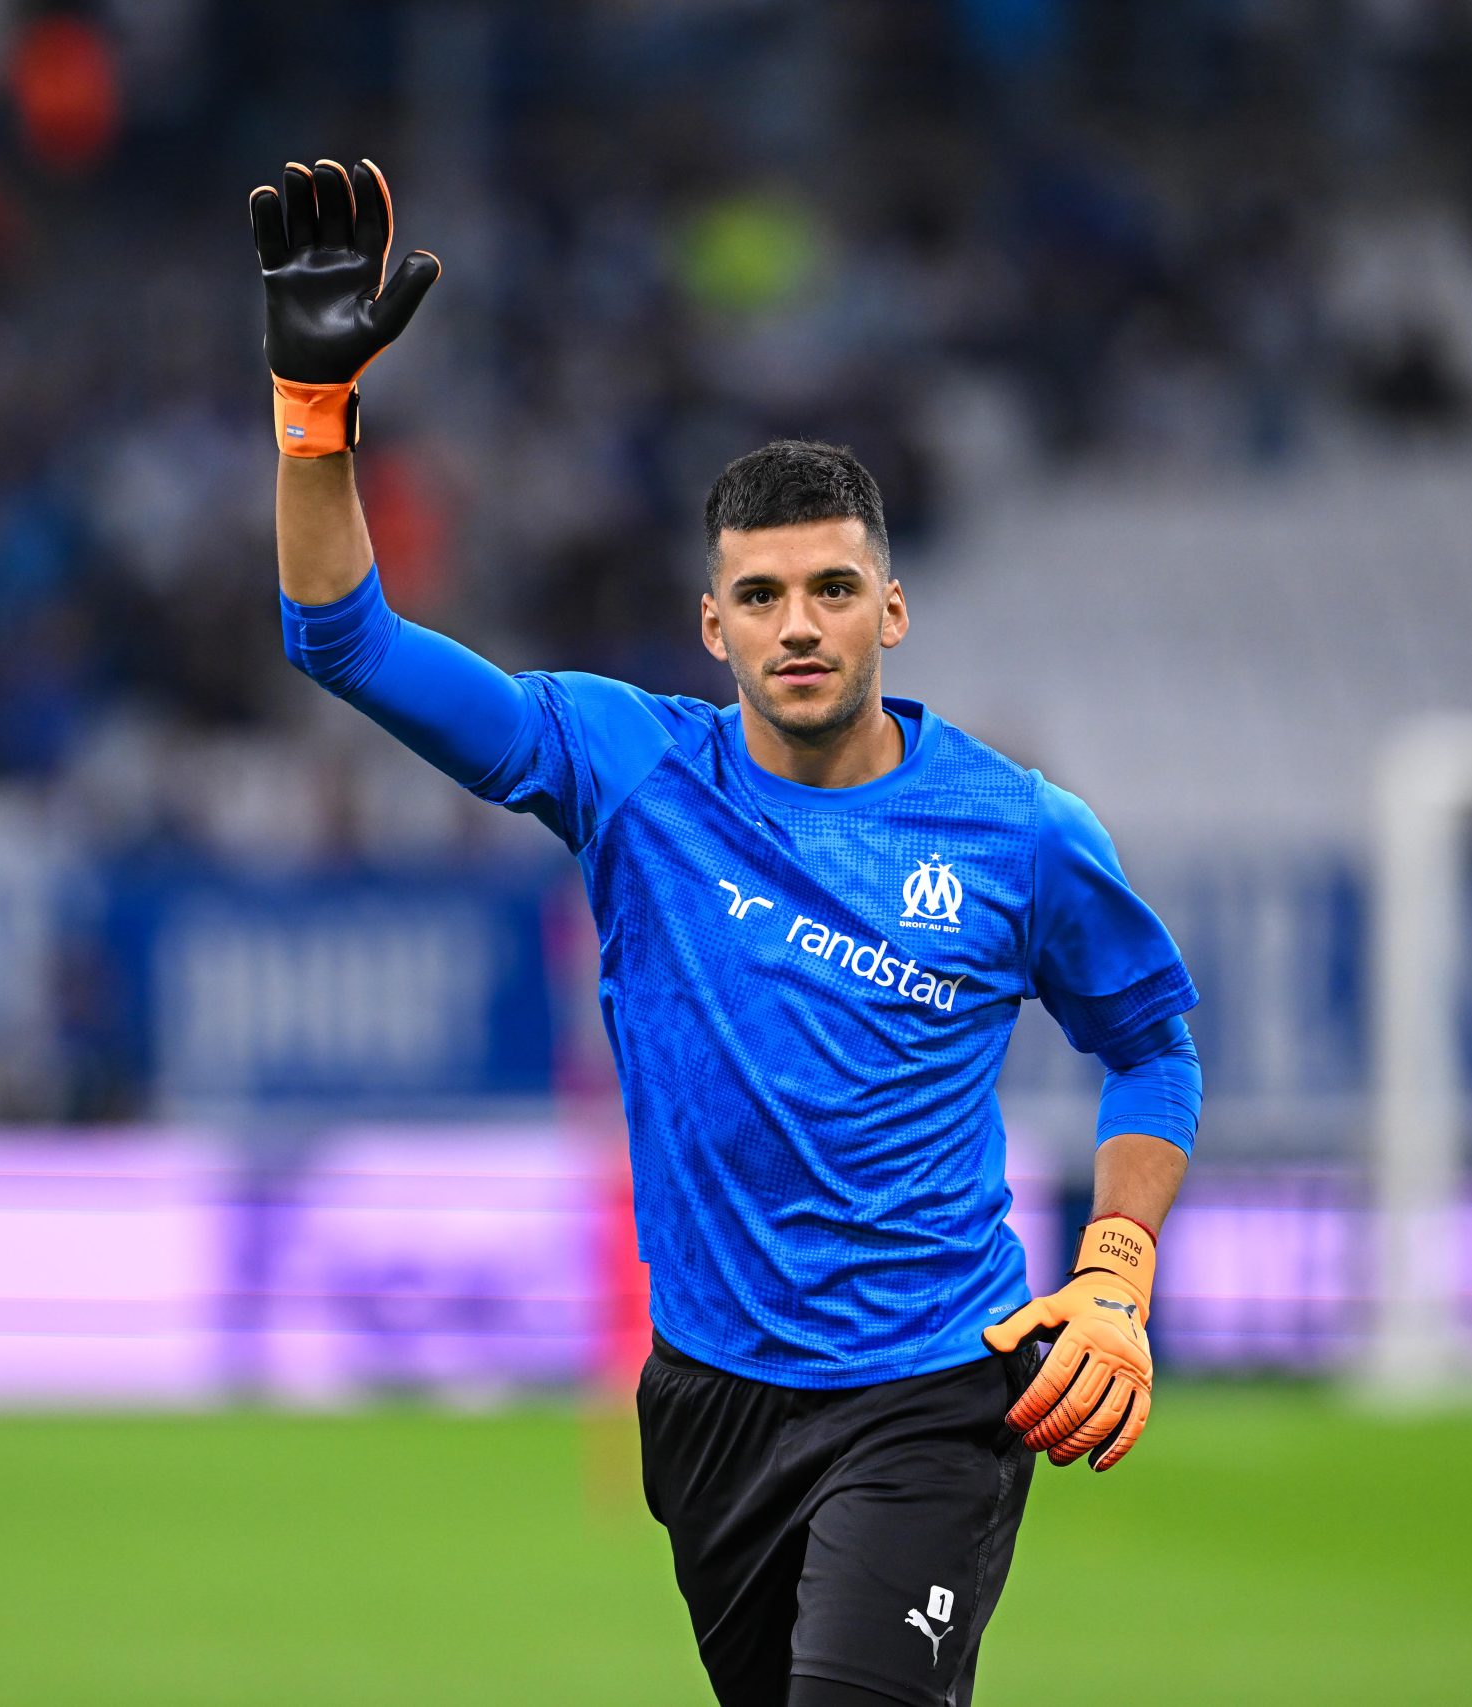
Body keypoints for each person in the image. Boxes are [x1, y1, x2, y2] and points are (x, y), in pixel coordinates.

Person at [251, 158, 1202, 1707]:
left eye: (835, 588)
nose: (802, 624)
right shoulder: (626, 770)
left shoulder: (1022, 832)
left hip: (934, 1395)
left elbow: (1151, 1046)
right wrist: (313, 416)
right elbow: (340, 636)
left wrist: (1113, 1272)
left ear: (893, 609)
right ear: (713, 627)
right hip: (708, 1408)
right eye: (762, 597)